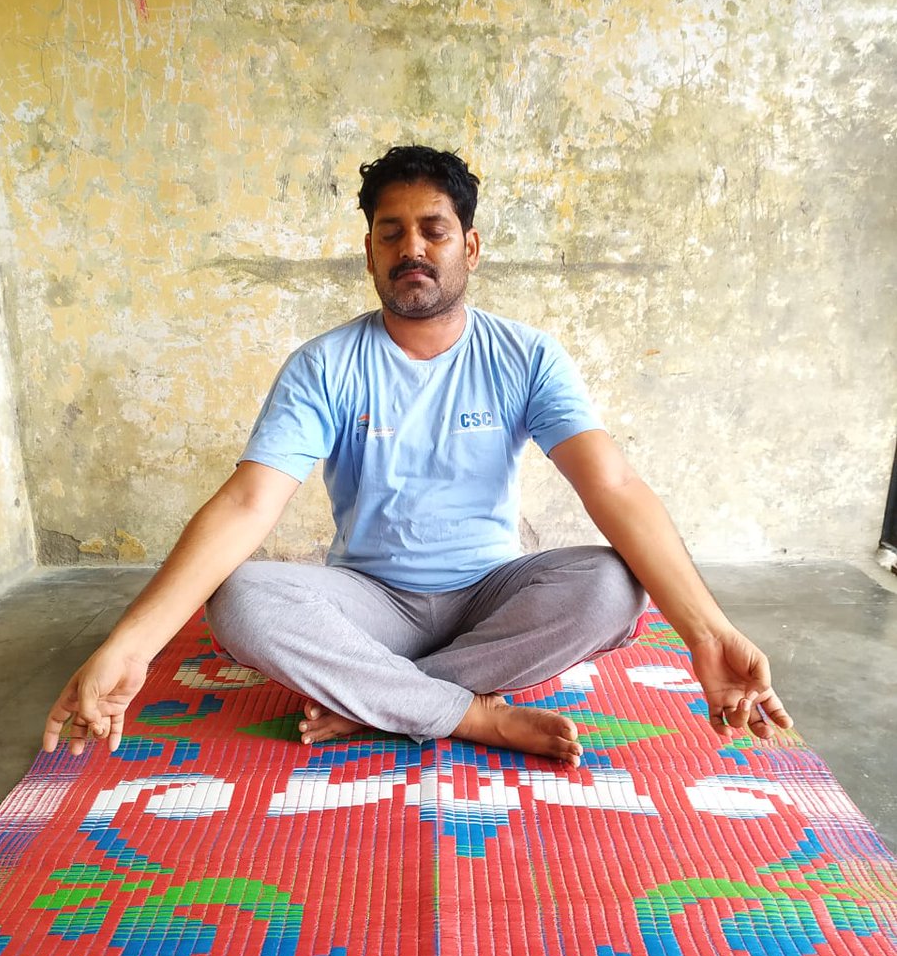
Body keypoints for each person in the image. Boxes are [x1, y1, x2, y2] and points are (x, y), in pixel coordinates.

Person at [43, 145, 792, 767]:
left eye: (433, 230)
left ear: (469, 246)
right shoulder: (324, 364)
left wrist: (709, 632)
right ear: (369, 251)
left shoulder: (528, 356)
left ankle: (380, 704)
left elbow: (615, 486)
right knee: (241, 598)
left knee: (611, 585)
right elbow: (248, 503)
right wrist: (131, 643)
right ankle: (468, 714)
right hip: (370, 604)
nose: (413, 249)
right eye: (391, 232)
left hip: (494, 595)